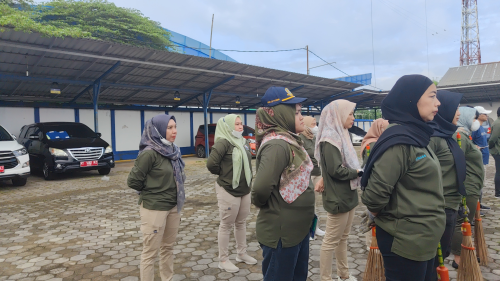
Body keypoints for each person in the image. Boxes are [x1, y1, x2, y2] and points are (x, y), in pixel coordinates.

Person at [360, 75, 445, 281]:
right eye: (432, 96)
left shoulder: (417, 135)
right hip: (406, 242)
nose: (438, 103)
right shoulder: (400, 142)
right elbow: (373, 198)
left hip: (423, 240)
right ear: (411, 99)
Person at [251, 86, 315, 281]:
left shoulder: (289, 141)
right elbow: (260, 190)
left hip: (296, 231)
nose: (302, 117)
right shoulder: (277, 145)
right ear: (280, 114)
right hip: (282, 235)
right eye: (296, 112)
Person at [127, 114, 186, 281]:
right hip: (154, 208)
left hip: (173, 206)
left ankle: (167, 278)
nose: (174, 131)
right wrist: (152, 191)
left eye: (175, 127)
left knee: (168, 248)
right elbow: (133, 181)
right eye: (169, 128)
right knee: (150, 253)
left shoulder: (174, 150)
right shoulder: (149, 153)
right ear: (158, 130)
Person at [314, 100, 361, 281]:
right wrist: (357, 172)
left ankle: (344, 275)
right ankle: (326, 278)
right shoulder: (330, 139)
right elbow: (335, 170)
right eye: (350, 113)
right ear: (338, 115)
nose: (353, 117)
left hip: (348, 195)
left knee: (343, 238)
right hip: (338, 198)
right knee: (330, 242)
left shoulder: (342, 134)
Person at [206, 114, 257, 272]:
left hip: (244, 189)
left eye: (241, 124)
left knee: (241, 223)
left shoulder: (244, 142)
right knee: (226, 225)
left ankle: (241, 253)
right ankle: (223, 259)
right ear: (228, 127)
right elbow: (211, 164)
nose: (240, 127)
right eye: (236, 124)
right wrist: (225, 174)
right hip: (228, 190)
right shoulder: (223, 143)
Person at [426, 90, 467, 280]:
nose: (458, 113)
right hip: (439, 207)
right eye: (456, 108)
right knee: (434, 258)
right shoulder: (433, 138)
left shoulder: (448, 135)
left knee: (441, 253)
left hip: (451, 204)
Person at [450, 106, 485, 269]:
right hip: (468, 187)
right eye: (473, 118)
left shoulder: (464, 136)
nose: (475, 122)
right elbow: (457, 162)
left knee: (465, 221)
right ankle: (459, 257)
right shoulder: (459, 136)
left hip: (472, 186)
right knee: (461, 222)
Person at [359, 118, 389, 250]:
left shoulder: (380, 142)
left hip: (377, 183)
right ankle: (371, 244)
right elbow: (368, 166)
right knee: (372, 214)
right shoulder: (371, 144)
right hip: (373, 183)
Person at [299, 116, 326, 238]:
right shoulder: (301, 139)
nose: (315, 126)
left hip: (318, 173)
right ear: (306, 125)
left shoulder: (314, 138)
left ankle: (315, 227)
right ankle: (308, 230)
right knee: (309, 204)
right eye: (313, 124)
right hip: (308, 176)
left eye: (316, 123)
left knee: (315, 203)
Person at [473, 106, 492, 210]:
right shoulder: (475, 128)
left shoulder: (481, 127)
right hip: (479, 160)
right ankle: (476, 207)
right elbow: (469, 142)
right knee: (478, 183)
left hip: (484, 158)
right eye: (484, 114)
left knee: (482, 183)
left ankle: (480, 203)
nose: (487, 115)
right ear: (478, 115)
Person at [489, 107, 500, 198]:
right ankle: (498, 192)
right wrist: (490, 146)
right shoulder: (497, 123)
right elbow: (493, 138)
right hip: (498, 150)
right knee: (499, 171)